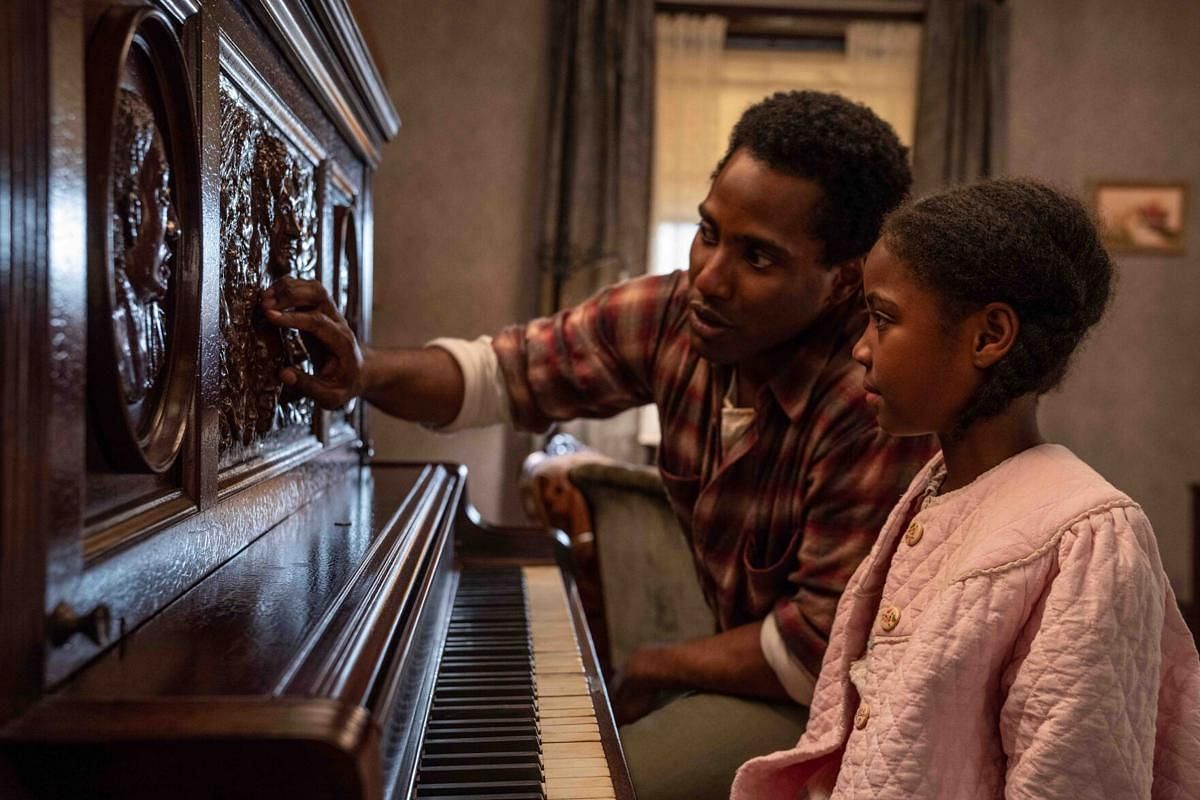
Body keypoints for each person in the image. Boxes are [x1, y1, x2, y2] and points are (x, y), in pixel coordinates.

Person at [262, 91, 937, 799]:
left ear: (843, 283)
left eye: (758, 257)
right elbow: (497, 375)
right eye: (709, 232)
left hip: (848, 709)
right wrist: (362, 369)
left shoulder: (873, 397)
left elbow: (814, 652)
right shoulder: (678, 315)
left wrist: (659, 665)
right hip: (773, 671)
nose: (709, 277)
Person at [732, 178, 1200, 800]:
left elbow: (1076, 776)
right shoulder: (937, 488)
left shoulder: (1087, 538)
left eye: (883, 318)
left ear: (988, 336)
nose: (861, 349)